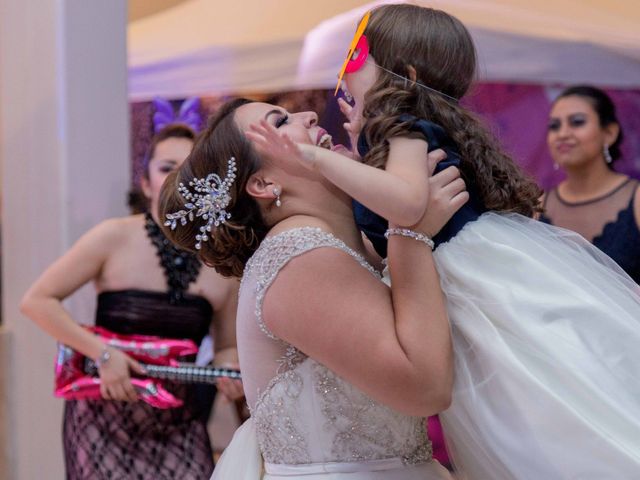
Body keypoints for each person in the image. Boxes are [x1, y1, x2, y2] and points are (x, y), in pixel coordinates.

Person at [246, 5, 640, 479]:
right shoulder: (391, 137)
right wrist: (358, 149)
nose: (341, 73)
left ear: (404, 75)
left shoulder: (405, 130)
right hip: (459, 291)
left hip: (475, 283)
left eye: (355, 57)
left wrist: (317, 159)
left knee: (549, 410)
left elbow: (409, 204)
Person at [159, 97, 472, 479]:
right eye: (281, 121)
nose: (309, 115)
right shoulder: (298, 255)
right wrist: (409, 231)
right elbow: (425, 389)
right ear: (263, 183)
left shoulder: (362, 245)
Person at [20, 124, 241, 480]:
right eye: (166, 167)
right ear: (146, 183)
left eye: (189, 167)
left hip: (180, 423)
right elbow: (37, 301)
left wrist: (229, 370)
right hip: (103, 420)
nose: (177, 177)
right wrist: (102, 353)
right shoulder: (112, 237)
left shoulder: (221, 258)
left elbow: (227, 344)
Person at [540, 85, 640, 283]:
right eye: (554, 126)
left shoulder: (636, 198)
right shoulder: (538, 204)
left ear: (609, 133)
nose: (562, 133)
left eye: (577, 122)